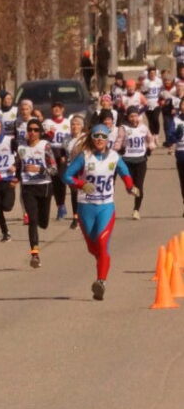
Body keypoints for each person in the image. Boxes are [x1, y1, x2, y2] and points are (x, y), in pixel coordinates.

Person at [62, 124, 134, 299]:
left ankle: (101, 281)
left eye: (103, 136)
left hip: (106, 207)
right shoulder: (84, 157)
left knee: (102, 244)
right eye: (96, 136)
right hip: (85, 207)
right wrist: (81, 184)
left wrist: (130, 186)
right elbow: (66, 176)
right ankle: (103, 262)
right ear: (92, 139)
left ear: (108, 138)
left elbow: (125, 172)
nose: (100, 140)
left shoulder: (114, 157)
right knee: (93, 248)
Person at [14, 118, 56, 268]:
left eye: (35, 130)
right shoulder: (21, 147)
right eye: (30, 129)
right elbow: (18, 166)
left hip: (44, 186)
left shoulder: (45, 146)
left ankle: (41, 222)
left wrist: (40, 169)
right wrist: (14, 174)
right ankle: (35, 254)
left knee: (42, 222)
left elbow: (54, 169)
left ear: (40, 132)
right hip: (28, 187)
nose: (32, 132)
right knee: (32, 220)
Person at [115, 105, 154, 219]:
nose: (134, 118)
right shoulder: (123, 128)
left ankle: (136, 210)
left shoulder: (143, 128)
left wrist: (151, 146)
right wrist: (116, 149)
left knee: (140, 186)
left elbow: (150, 138)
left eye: (136, 116)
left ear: (139, 116)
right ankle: (130, 188)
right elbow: (119, 140)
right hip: (127, 160)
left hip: (141, 160)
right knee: (130, 186)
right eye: (131, 116)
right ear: (128, 117)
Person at [43, 101, 72, 220]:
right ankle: (60, 205)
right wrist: (50, 133)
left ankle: (62, 205)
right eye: (54, 107)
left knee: (62, 180)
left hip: (63, 153)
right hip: (51, 153)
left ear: (63, 109)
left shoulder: (68, 123)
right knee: (54, 180)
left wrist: (66, 153)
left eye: (59, 107)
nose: (56, 109)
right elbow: (44, 138)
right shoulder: (47, 122)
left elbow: (70, 138)